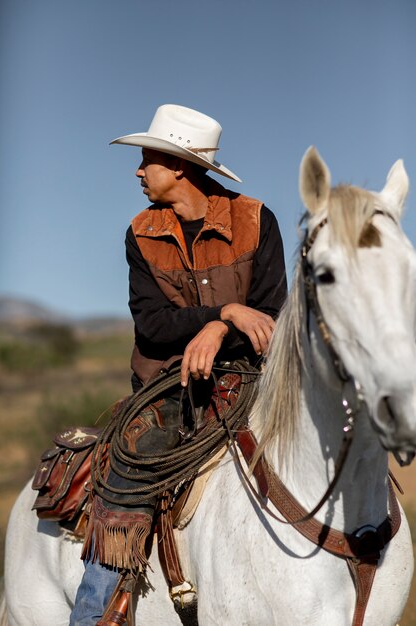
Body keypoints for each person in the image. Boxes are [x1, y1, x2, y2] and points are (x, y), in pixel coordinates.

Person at [70, 104, 287, 625]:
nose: (139, 171)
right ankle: (94, 611)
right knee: (128, 470)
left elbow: (271, 312)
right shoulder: (141, 232)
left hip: (251, 377)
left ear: (180, 167)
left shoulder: (256, 219)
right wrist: (224, 311)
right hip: (166, 385)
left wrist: (219, 326)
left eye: (148, 160)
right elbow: (152, 326)